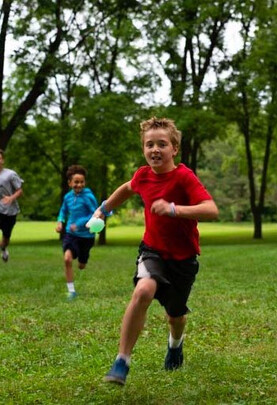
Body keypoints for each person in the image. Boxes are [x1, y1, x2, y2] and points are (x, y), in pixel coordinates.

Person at [94, 117, 218, 385]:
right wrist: (104, 210)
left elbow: (211, 209)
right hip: (152, 251)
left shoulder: (184, 177)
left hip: (183, 259)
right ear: (143, 150)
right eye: (149, 144)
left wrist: (175, 210)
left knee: (176, 316)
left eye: (162, 144)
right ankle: (121, 361)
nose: (155, 149)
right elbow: (127, 189)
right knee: (142, 291)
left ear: (174, 149)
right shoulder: (143, 176)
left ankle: (175, 345)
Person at [56, 165, 98, 300]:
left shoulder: (89, 196)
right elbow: (63, 211)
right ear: (69, 183)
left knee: (81, 265)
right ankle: (71, 291)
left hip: (87, 236)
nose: (79, 185)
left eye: (82, 182)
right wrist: (60, 221)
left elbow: (95, 213)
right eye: (76, 182)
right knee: (67, 259)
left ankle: (84, 258)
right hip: (71, 234)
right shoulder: (68, 197)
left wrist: (79, 224)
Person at [0, 149, 24, 262]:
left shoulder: (10, 174)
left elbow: (20, 191)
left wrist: (10, 198)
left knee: (6, 238)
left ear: (2, 160)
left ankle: (4, 248)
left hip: (10, 211)